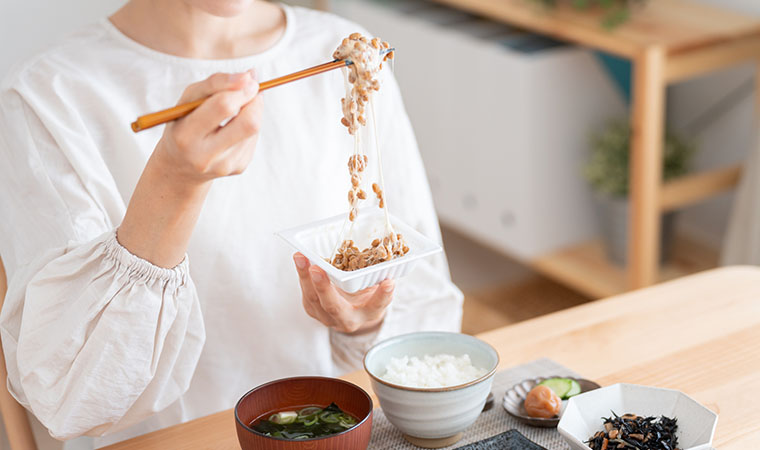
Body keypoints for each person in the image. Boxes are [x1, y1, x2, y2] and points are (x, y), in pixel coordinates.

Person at [0, 0, 463, 447]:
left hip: (326, 431)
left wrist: (362, 324)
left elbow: (425, 314)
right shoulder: (48, 94)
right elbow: (74, 402)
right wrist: (174, 183)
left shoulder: (345, 54)